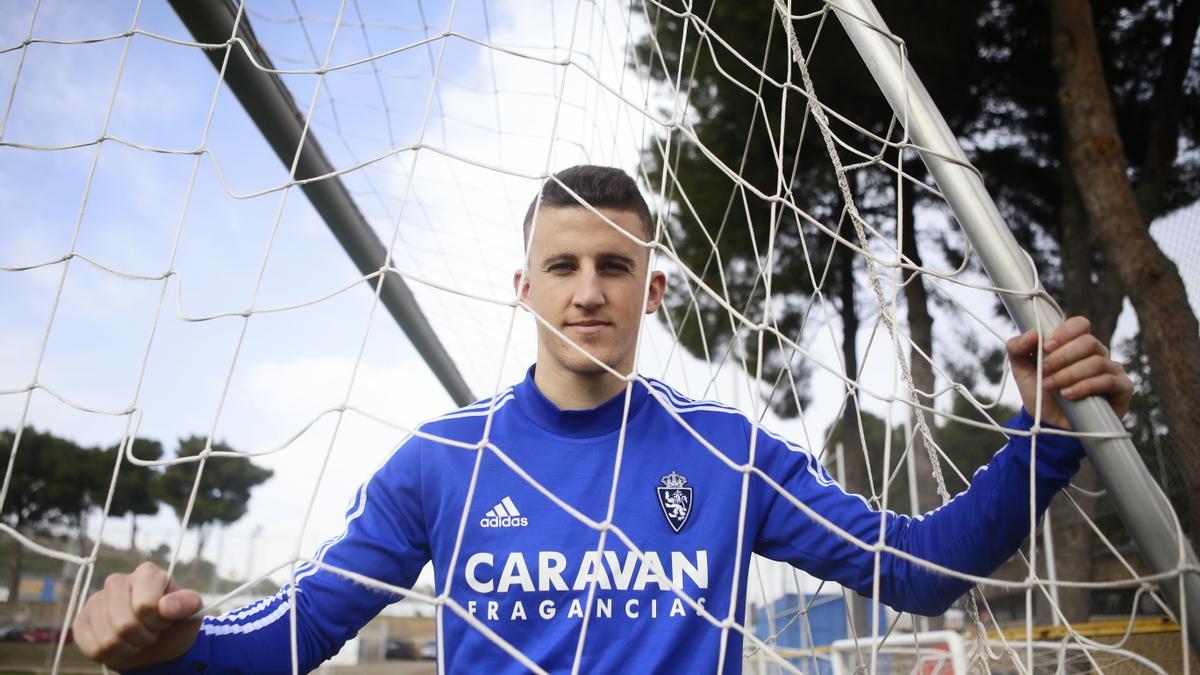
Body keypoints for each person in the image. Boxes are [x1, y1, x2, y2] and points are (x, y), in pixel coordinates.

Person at [73, 165, 1133, 673]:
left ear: (652, 292)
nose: (590, 290)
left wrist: (1040, 436)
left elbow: (918, 570)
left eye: (615, 266)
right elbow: (284, 641)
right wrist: (166, 645)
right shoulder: (442, 465)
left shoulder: (724, 452)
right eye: (564, 265)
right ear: (523, 288)